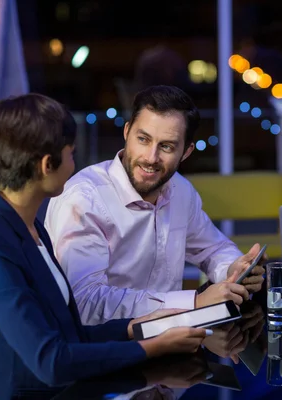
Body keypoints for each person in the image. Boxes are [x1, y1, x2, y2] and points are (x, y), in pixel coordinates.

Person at [0, 94, 212, 400]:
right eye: (70, 153)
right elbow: (51, 362)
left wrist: (137, 327)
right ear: (46, 165)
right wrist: (151, 347)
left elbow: (70, 335)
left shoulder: (28, 226)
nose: (74, 164)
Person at [45, 85, 264, 325]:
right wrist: (193, 303)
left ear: (186, 152)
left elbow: (212, 249)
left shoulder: (180, 190)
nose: (151, 157)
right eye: (143, 139)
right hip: (105, 351)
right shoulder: (84, 199)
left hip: (169, 341)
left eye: (167, 146)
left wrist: (234, 268)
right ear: (127, 132)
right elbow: (85, 303)